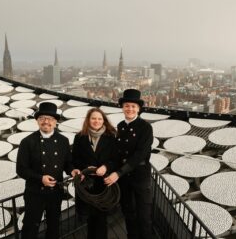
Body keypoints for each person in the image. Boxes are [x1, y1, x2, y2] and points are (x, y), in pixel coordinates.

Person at [16, 102, 80, 239]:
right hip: (34, 194)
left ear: (55, 121)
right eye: (42, 118)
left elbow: (68, 163)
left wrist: (72, 171)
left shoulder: (63, 140)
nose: (46, 121)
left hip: (55, 193)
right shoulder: (27, 142)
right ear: (37, 121)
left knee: (54, 227)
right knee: (30, 228)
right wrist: (40, 178)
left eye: (50, 118)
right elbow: (21, 169)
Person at [104, 89, 154, 239]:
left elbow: (140, 154)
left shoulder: (145, 127)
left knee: (144, 217)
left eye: (133, 106)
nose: (130, 109)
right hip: (125, 180)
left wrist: (118, 173)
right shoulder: (120, 126)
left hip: (140, 178)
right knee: (129, 214)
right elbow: (116, 154)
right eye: (127, 106)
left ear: (138, 108)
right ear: (122, 108)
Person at [72, 107, 117, 239]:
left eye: (99, 118)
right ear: (88, 120)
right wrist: (87, 167)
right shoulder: (79, 137)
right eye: (93, 118)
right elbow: (75, 159)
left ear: (103, 120)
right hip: (87, 185)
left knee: (101, 219)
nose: (96, 121)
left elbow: (115, 159)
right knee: (90, 219)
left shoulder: (111, 136)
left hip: (104, 185)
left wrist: (105, 166)